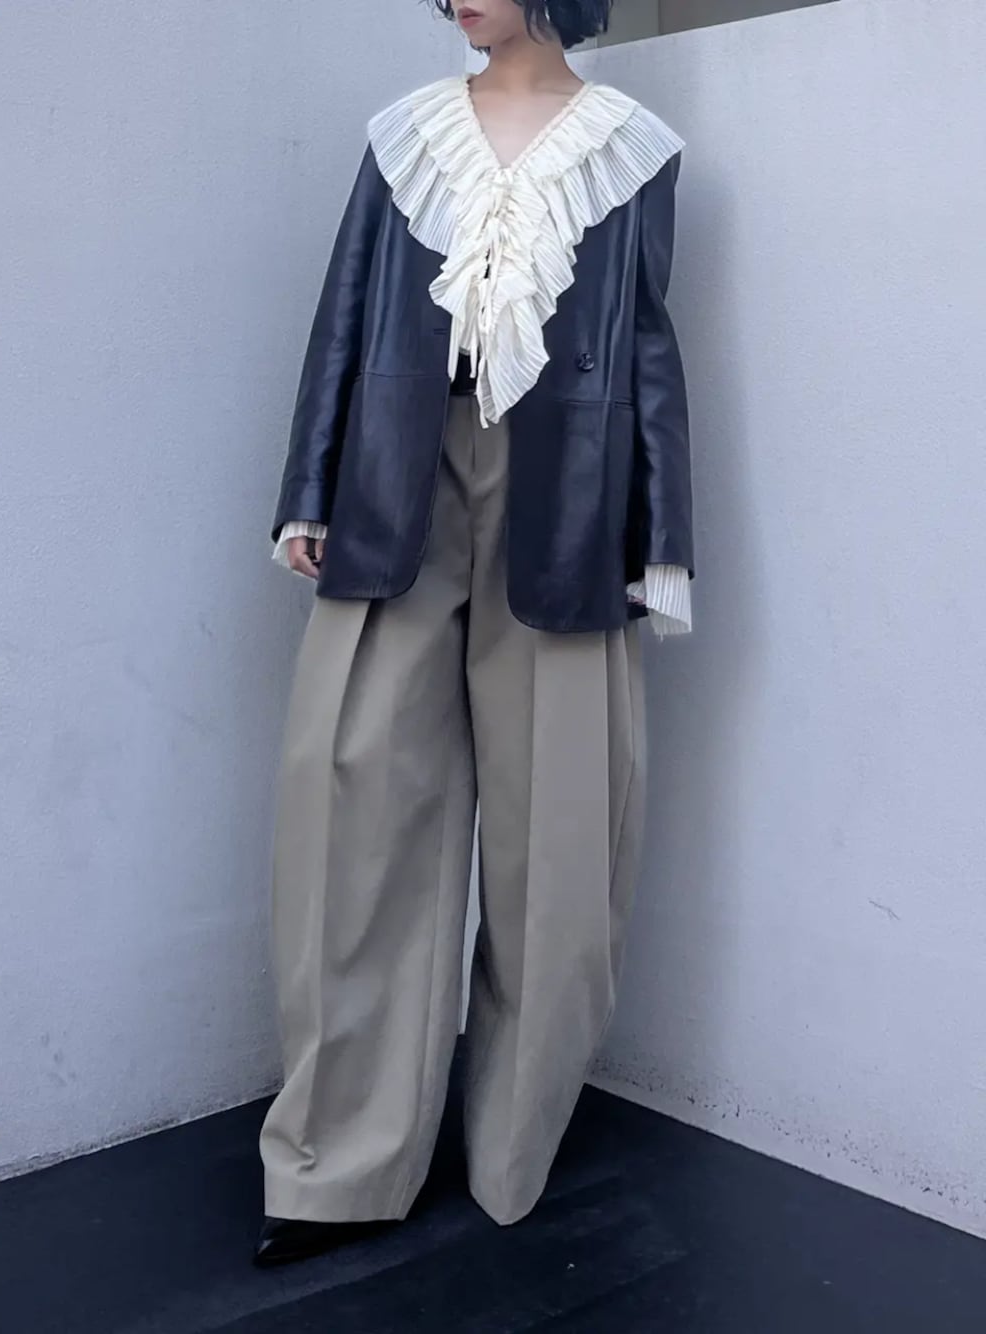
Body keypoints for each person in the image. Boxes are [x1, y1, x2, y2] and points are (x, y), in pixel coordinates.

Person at [254, 0, 694, 1268]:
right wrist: (307, 492)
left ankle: (511, 1149)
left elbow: (647, 345)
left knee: (559, 834)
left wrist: (658, 541)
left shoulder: (632, 145)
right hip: (399, 479)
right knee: (351, 797)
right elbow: (343, 317)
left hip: (567, 497)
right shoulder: (405, 133)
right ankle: (337, 1164)